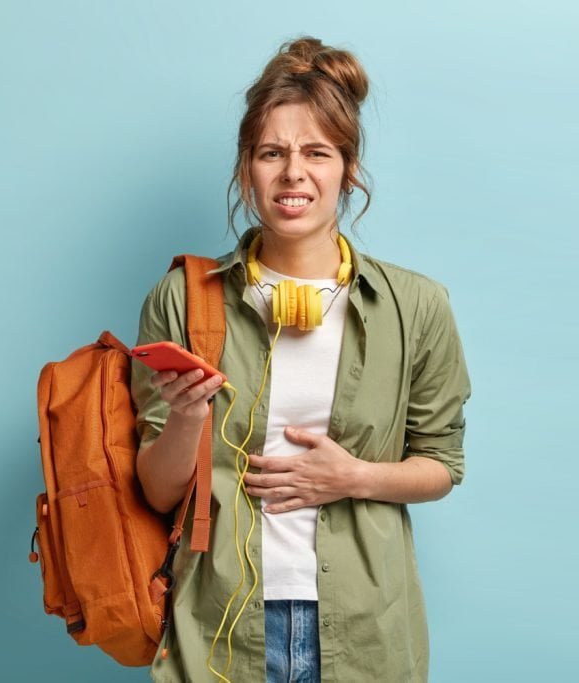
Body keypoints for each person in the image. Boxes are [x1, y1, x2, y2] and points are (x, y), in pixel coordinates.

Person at [130, 36, 471, 683]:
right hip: (219, 626)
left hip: (365, 627)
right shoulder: (183, 298)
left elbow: (442, 465)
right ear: (245, 169)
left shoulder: (417, 305)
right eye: (271, 153)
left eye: (317, 152)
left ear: (347, 167)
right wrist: (185, 419)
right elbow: (158, 490)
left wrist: (354, 478)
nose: (293, 173)